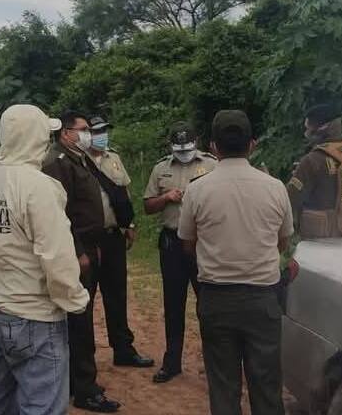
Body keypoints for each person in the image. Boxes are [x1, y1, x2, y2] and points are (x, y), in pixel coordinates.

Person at [0, 104, 91, 415]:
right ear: (37, 137)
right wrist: (75, 299)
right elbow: (56, 255)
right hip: (33, 315)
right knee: (43, 405)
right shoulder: (38, 186)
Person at [178, 110, 293, 415]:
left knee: (224, 385)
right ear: (252, 144)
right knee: (267, 385)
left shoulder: (197, 189)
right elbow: (283, 242)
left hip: (217, 300)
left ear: (213, 146)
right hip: (263, 300)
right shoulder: (275, 187)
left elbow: (188, 244)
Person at [42, 110, 122, 412]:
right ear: (65, 133)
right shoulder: (57, 163)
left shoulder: (78, 158)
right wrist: (78, 249)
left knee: (82, 316)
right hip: (75, 248)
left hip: (89, 244)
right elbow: (59, 214)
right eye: (83, 129)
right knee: (79, 318)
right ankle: (84, 388)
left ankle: (80, 380)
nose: (89, 133)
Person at [143, 122, 217, 384]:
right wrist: (166, 198)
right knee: (173, 305)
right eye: (178, 147)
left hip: (203, 244)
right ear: (170, 145)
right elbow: (148, 206)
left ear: (197, 141)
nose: (183, 152)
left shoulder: (212, 165)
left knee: (207, 305)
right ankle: (171, 362)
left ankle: (214, 363)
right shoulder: (161, 168)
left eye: (187, 147)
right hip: (172, 243)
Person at [83, 114, 154, 368]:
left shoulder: (114, 158)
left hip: (114, 235)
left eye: (105, 130)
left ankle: (123, 348)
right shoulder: (77, 161)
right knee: (85, 297)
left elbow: (122, 193)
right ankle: (83, 354)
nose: (102, 135)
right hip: (88, 238)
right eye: (97, 131)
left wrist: (129, 224)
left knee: (117, 294)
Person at [285, 104, 342, 239]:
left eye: (308, 128)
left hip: (322, 239)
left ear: (320, 129)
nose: (306, 133)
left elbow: (289, 200)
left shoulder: (312, 160)